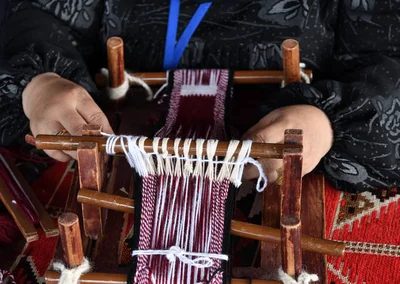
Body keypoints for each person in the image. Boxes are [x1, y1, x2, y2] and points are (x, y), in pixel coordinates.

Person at [0, 0, 399, 192]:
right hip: (125, 144)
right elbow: (36, 12)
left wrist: (327, 124)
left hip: (280, 158)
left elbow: (387, 63)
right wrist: (39, 82)